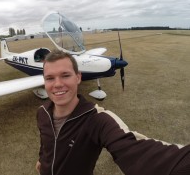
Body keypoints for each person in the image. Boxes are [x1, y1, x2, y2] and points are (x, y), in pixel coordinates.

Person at [35, 49, 190, 175]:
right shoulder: (42, 112)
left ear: (78, 77)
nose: (57, 84)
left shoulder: (97, 119)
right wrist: (42, 160)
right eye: (50, 78)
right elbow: (46, 143)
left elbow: (135, 149)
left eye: (65, 75)